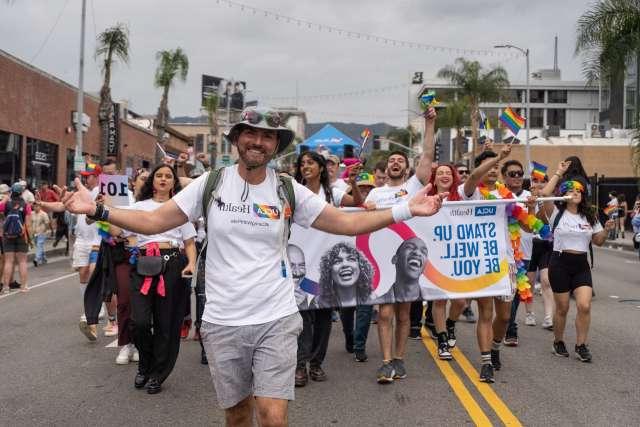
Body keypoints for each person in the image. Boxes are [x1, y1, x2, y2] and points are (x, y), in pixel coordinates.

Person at [61, 106, 444, 426]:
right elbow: (156, 220)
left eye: (268, 136)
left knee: (273, 416)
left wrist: (405, 209)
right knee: (239, 415)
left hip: (276, 317)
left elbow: (345, 222)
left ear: (276, 145)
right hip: (224, 320)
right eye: (251, 133)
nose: (259, 141)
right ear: (237, 138)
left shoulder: (286, 189)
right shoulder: (211, 184)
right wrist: (97, 209)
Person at [364, 107, 436, 384]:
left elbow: (427, 155)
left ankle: (399, 358)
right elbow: (364, 223)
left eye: (399, 160)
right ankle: (385, 362)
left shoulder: (414, 186)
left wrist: (430, 124)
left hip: (407, 260)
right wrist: (366, 209)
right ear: (386, 168)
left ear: (406, 168)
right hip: (384, 260)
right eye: (391, 160)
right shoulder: (375, 192)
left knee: (404, 313)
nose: (395, 162)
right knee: (384, 313)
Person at [292, 150, 363, 386]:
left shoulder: (332, 192)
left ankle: (316, 364)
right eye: (302, 164)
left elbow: (357, 204)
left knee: (322, 317)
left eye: (310, 163)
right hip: (300, 265)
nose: (305, 167)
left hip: (324, 266)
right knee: (303, 316)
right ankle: (300, 365)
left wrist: (353, 182)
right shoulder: (293, 191)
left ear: (321, 168)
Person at [458, 144, 522, 383]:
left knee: (504, 316)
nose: (493, 170)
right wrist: (499, 155)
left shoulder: (508, 195)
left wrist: (532, 207)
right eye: (490, 166)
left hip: (505, 262)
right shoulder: (471, 191)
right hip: (482, 261)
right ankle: (486, 362)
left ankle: (495, 346)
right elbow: (474, 176)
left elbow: (524, 224)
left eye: (497, 167)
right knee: (486, 312)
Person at [539, 177, 614, 362]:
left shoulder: (589, 215)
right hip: (559, 263)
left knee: (584, 305)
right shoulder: (555, 212)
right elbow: (544, 194)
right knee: (562, 308)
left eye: (579, 191)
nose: (575, 193)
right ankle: (558, 341)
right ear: (563, 194)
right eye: (571, 190)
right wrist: (558, 173)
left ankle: (581, 346)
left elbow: (598, 241)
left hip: (581, 264)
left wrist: (605, 230)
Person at [421, 163, 468, 359]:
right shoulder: (426, 199)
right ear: (434, 177)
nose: (444, 176)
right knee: (439, 301)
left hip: (458, 255)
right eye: (439, 173)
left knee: (461, 302)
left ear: (454, 176)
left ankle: (450, 324)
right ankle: (442, 340)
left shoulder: (463, 196)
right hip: (435, 255)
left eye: (448, 172)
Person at [501, 160, 535, 346]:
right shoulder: (498, 195)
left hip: (524, 253)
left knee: (515, 293)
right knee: (504, 293)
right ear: (504, 177)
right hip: (502, 253)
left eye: (519, 173)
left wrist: (530, 206)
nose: (517, 177)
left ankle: (510, 327)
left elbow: (530, 228)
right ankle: (504, 324)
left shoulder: (529, 196)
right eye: (512, 174)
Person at [527, 173, 555, 331]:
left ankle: (548, 316)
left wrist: (542, 200)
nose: (539, 184)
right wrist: (532, 202)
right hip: (530, 244)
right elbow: (530, 222)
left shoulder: (549, 199)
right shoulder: (526, 197)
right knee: (529, 281)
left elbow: (545, 220)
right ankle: (529, 312)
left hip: (546, 244)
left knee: (546, 280)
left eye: (543, 181)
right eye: (535, 181)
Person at [317, 242, 373, 308]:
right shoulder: (318, 303)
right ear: (328, 271)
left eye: (351, 259)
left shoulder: (373, 299)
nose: (345, 264)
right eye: (337, 261)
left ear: (361, 267)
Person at [0, 183, 31, 293]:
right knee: (22, 262)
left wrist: (5, 200)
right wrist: (30, 238)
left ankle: (5, 287)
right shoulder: (26, 205)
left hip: (8, 236)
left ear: (11, 191)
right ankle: (24, 286)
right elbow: (28, 224)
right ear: (22, 192)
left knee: (8, 261)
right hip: (21, 236)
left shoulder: (6, 204)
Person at [30, 202, 52, 267]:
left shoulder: (43, 214)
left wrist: (45, 230)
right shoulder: (32, 214)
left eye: (37, 206)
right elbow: (30, 222)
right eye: (34, 206)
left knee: (39, 245)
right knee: (39, 246)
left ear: (40, 206)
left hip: (41, 232)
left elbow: (47, 223)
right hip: (34, 233)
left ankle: (37, 259)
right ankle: (44, 259)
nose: (36, 208)